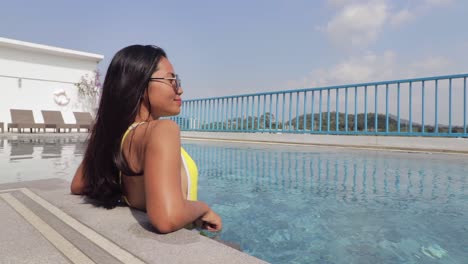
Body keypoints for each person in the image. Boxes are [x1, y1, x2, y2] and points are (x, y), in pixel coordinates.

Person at [70, 45, 222, 234]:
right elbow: (166, 218)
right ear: (140, 86)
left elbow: (78, 185)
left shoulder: (117, 138)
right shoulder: (163, 130)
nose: (180, 89)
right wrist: (202, 208)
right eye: (172, 80)